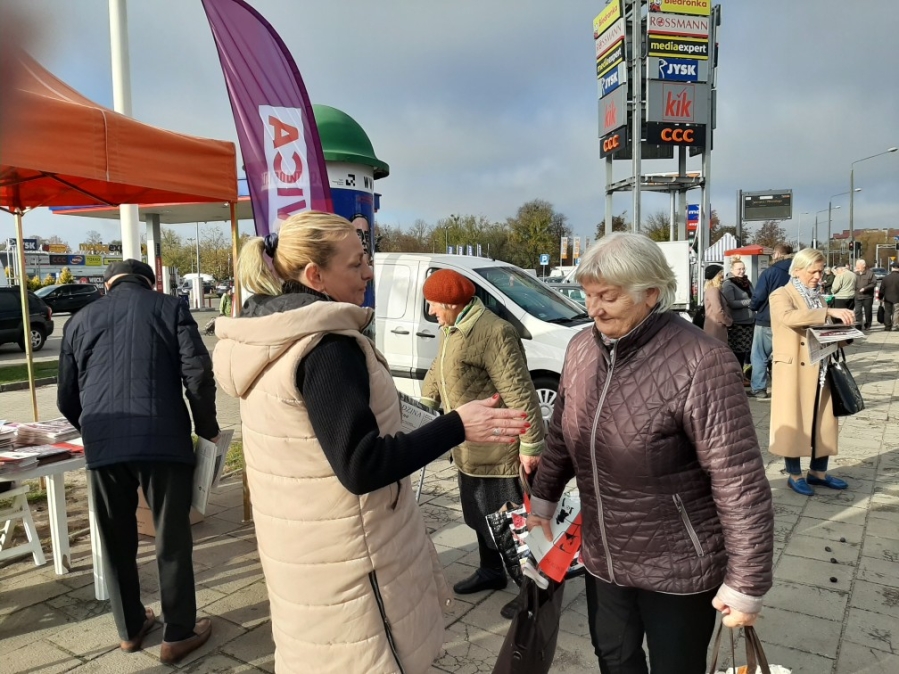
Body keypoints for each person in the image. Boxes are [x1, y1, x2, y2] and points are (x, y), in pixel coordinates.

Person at [211, 211, 529, 674]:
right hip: (351, 560)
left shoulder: (268, 334)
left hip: (305, 547)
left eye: (367, 259)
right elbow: (361, 464)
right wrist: (456, 425)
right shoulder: (324, 347)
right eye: (356, 263)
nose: (368, 273)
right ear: (315, 276)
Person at [527, 233, 774, 674]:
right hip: (605, 554)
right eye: (588, 295)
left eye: (608, 296)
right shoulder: (581, 348)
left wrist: (747, 582)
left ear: (651, 294)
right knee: (613, 656)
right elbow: (562, 434)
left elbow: (738, 480)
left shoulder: (702, 360)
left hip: (678, 564)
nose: (594, 308)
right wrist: (543, 500)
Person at [57, 259, 218, 664]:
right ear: (150, 282)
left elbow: (66, 395)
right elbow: (198, 374)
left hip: (104, 444)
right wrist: (207, 429)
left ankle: (129, 629)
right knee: (171, 538)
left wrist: (93, 430)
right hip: (163, 441)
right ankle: (178, 633)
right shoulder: (170, 307)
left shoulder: (79, 320)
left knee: (116, 542)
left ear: (108, 285)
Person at [419, 269, 545, 618]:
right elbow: (438, 369)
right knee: (478, 515)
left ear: (450, 303)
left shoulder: (494, 332)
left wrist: (531, 446)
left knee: (510, 527)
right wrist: (424, 405)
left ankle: (533, 593)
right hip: (469, 446)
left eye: (433, 305)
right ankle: (491, 571)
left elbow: (520, 392)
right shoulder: (451, 329)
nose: (430, 312)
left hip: (497, 449)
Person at [768, 248, 856, 497]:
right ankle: (794, 474)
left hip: (821, 367)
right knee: (794, 420)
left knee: (824, 421)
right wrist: (827, 312)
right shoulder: (781, 294)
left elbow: (821, 331)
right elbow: (789, 317)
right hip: (793, 369)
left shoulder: (818, 298)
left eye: (821, 271)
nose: (819, 276)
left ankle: (818, 472)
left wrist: (845, 333)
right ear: (797, 270)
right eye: (813, 271)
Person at [747, 243, 794, 399]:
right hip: (790, 319)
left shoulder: (770, 272)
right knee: (784, 355)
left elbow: (759, 295)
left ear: (777, 254)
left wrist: (753, 306)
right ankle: (784, 387)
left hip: (767, 318)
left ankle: (759, 388)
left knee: (760, 355)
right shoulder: (797, 272)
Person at [721, 257, 755, 381]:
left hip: (750, 321)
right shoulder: (728, 284)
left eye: (743, 268)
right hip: (738, 323)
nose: (742, 271)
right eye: (739, 269)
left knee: (747, 351)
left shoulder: (747, 282)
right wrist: (750, 302)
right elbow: (731, 303)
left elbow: (754, 295)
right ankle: (736, 377)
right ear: (732, 270)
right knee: (738, 352)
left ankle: (743, 375)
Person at [702, 264, 731, 343]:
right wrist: (728, 322)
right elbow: (718, 311)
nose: (722, 278)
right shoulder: (713, 290)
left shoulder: (712, 289)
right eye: (721, 275)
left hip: (715, 326)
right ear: (716, 276)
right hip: (716, 327)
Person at [853, 259, 876, 330]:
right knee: (857, 311)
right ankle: (858, 325)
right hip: (857, 296)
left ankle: (868, 325)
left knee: (868, 312)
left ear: (864, 265)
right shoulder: (854, 274)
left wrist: (865, 288)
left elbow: (873, 283)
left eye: (858, 265)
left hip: (867, 296)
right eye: (856, 265)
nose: (857, 267)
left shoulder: (870, 273)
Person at [881, 261, 899, 331]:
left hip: (887, 298)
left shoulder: (886, 278)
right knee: (896, 311)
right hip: (897, 298)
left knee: (887, 312)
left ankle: (887, 326)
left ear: (892, 268)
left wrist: (880, 297)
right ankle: (895, 325)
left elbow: (882, 289)